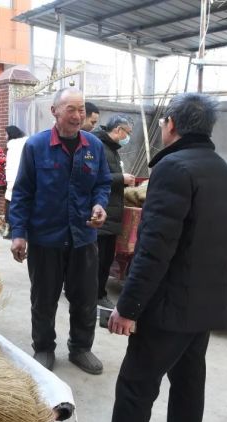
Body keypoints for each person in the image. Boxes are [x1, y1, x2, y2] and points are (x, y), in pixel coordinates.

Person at [108, 93, 227, 422]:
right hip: (205, 306)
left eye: (165, 121)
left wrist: (128, 307)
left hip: (169, 309)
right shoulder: (225, 172)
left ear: (172, 125)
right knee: (188, 385)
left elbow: (154, 249)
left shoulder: (172, 168)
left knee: (135, 387)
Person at [9, 88, 112, 375]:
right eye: (71, 109)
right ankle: (43, 347)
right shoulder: (36, 146)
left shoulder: (93, 146)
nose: (78, 115)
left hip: (84, 237)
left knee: (85, 298)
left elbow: (102, 183)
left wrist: (100, 205)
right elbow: (22, 193)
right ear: (54, 111)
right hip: (46, 238)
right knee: (44, 297)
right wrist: (19, 233)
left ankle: (81, 348)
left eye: (81, 109)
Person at [91, 116, 135, 312]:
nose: (128, 138)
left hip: (111, 211)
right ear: (118, 130)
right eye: (128, 133)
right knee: (99, 259)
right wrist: (121, 178)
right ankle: (96, 295)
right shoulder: (99, 146)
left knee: (105, 258)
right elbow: (93, 177)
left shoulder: (111, 149)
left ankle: (97, 293)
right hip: (103, 212)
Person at [3, 125, 27, 239]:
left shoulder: (13, 146)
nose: (5, 136)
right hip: (24, 179)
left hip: (14, 181)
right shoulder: (26, 143)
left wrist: (10, 184)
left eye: (6, 134)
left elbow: (12, 166)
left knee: (11, 205)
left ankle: (13, 231)